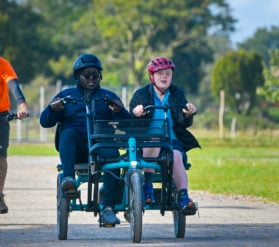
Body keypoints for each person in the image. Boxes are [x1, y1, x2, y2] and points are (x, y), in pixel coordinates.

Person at [40, 54, 130, 224]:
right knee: (67, 134)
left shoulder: (107, 96)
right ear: (77, 76)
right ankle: (68, 180)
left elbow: (126, 125)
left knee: (114, 156)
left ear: (100, 76)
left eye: (94, 75)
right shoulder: (66, 96)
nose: (91, 78)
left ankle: (108, 208)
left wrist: (119, 111)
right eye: (86, 75)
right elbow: (45, 122)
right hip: (77, 149)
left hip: (101, 146)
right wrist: (52, 109)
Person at [130, 56, 200, 215]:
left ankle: (183, 197)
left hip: (172, 141)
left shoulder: (177, 94)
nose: (164, 76)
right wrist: (136, 113)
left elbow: (183, 123)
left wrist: (188, 114)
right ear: (151, 76)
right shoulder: (140, 94)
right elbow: (131, 121)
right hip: (148, 141)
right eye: (160, 73)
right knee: (152, 143)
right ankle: (147, 186)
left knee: (176, 156)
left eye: (168, 73)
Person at [0, 57, 29, 214]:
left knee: (0, 157)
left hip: (0, 115)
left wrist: (22, 104)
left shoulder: (2, 64)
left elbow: (13, 85)